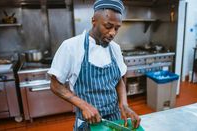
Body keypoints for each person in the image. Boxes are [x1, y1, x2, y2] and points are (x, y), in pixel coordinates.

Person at [48, 0, 141, 130]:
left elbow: (118, 80)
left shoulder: (115, 48)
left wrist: (124, 105)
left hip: (114, 121)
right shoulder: (72, 47)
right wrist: (84, 105)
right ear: (94, 21)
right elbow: (55, 84)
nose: (113, 33)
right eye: (108, 26)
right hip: (88, 123)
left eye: (117, 28)